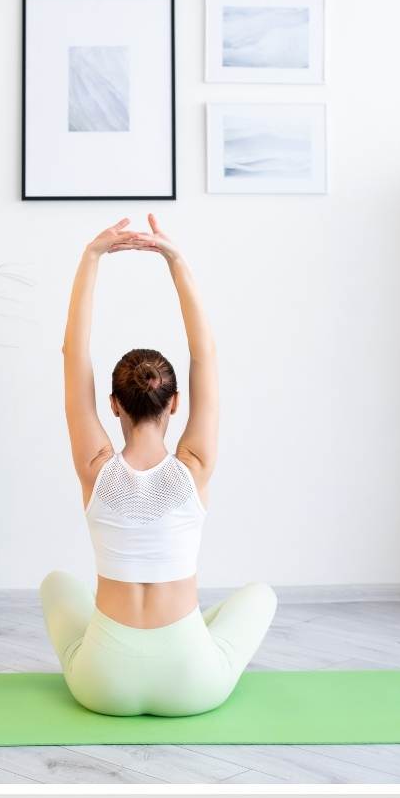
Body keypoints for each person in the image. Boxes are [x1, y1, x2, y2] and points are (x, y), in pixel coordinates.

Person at [40, 214, 276, 716]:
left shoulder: (94, 466)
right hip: (191, 683)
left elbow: (72, 354)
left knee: (56, 584)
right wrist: (175, 260)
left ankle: (131, 648)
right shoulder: (194, 466)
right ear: (174, 404)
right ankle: (191, 633)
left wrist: (92, 256)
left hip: (102, 685)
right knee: (261, 596)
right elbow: (205, 355)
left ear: (113, 404)